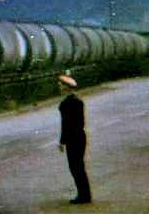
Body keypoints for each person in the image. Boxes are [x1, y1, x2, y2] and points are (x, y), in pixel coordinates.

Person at [58, 74, 92, 204]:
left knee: (76, 167)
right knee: (77, 167)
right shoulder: (76, 101)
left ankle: (84, 196)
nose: (59, 87)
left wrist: (63, 141)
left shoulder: (69, 103)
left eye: (61, 85)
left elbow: (66, 124)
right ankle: (84, 194)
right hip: (79, 137)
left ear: (67, 88)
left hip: (74, 139)